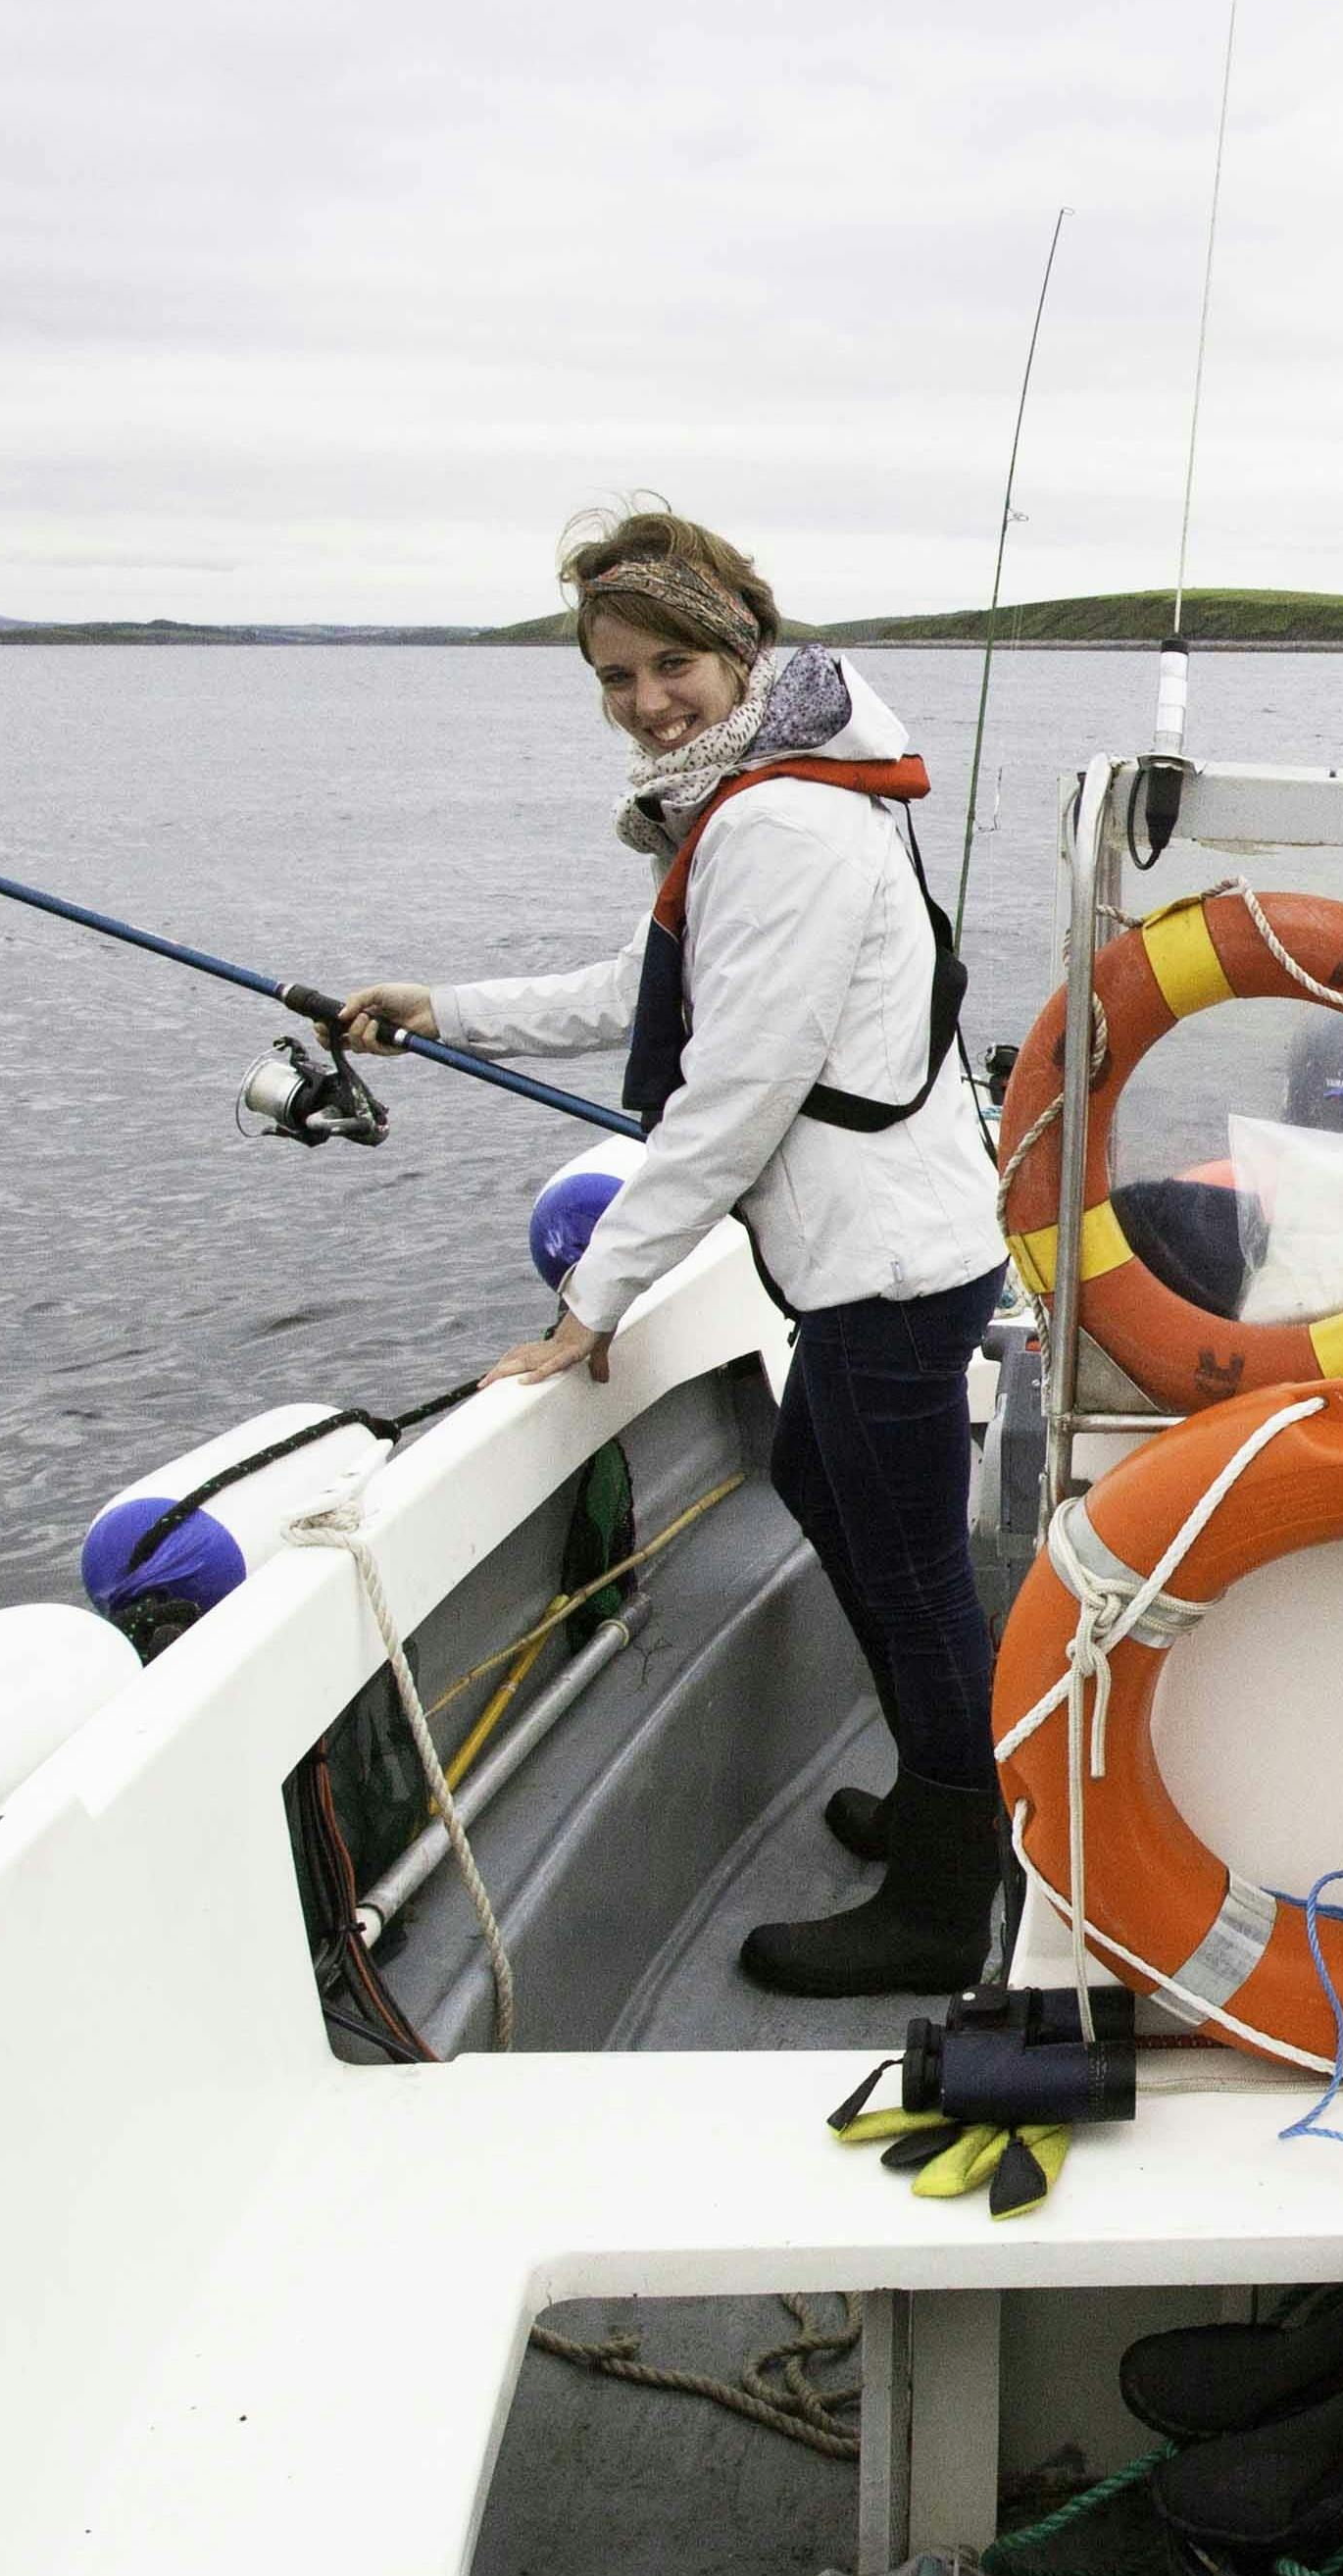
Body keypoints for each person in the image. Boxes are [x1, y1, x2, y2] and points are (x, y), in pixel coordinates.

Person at [331, 508, 1014, 1999]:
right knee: (815, 1485)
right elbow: (652, 988)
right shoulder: (770, 787)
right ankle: (937, 1801)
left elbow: (734, 1093)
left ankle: (951, 1894)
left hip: (888, 1263)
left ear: (741, 648)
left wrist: (595, 1304)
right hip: (888, 1248)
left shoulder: (779, 819)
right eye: (617, 677)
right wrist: (444, 1007)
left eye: (674, 664)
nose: (647, 703)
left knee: (908, 1574)